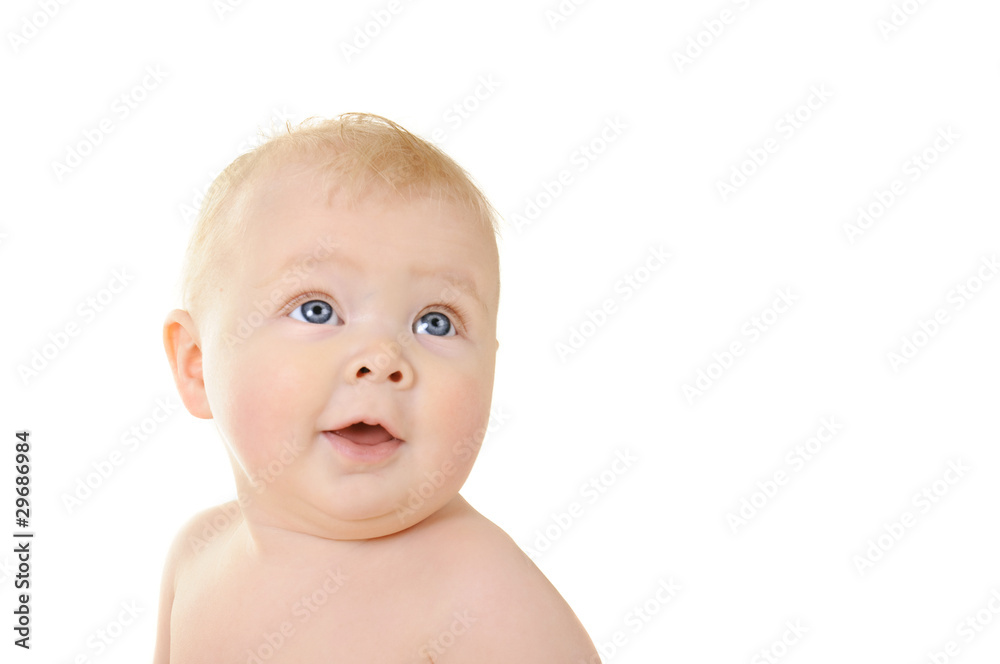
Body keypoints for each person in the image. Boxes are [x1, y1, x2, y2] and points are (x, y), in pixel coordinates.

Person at [154, 113, 599, 663]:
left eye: (435, 322)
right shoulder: (196, 559)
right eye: (318, 310)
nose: (383, 360)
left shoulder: (487, 602)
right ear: (197, 366)